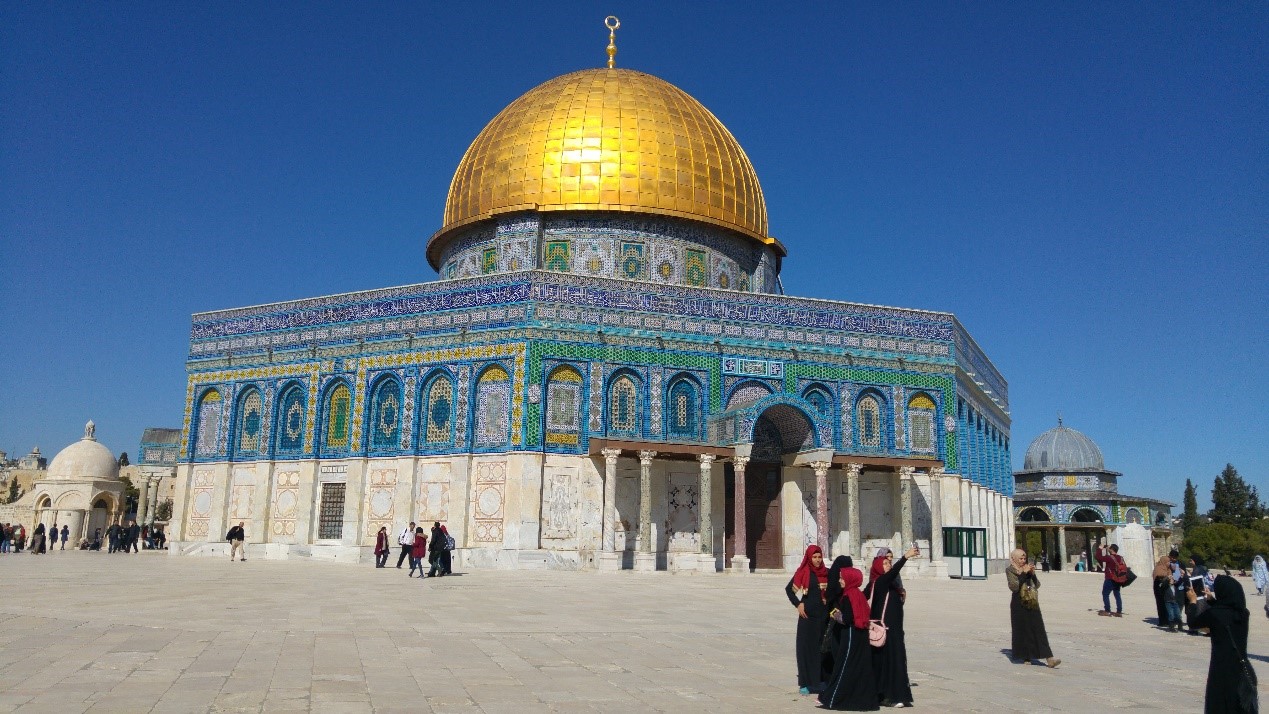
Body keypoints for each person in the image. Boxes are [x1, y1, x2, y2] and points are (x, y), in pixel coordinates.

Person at [1184, 575, 1258, 713]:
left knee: (1221, 705)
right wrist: (1212, 601)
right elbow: (1226, 610)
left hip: (1222, 669)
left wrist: (1193, 602)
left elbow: (1193, 623)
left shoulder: (1214, 614)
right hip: (1241, 666)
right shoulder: (1243, 614)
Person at [818, 556, 878, 711]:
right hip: (861, 635)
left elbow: (848, 619)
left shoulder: (847, 596)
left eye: (842, 578)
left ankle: (834, 698)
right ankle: (864, 700)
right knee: (861, 668)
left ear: (850, 579)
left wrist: (836, 615)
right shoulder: (857, 594)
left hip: (850, 635)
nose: (840, 581)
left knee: (845, 666)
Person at [865, 545, 919, 708]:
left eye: (890, 563)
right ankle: (890, 696)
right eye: (885, 564)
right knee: (890, 663)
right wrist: (905, 557)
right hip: (886, 631)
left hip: (895, 631)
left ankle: (897, 694)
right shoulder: (880, 582)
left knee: (897, 662)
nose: (889, 565)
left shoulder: (890, 586)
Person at [785, 544, 829, 695]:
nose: (817, 560)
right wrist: (798, 604)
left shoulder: (826, 573)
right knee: (805, 649)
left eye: (819, 557)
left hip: (823, 617)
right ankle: (805, 682)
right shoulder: (804, 572)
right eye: (814, 557)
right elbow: (789, 590)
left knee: (822, 649)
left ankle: (820, 680)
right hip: (807, 617)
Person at [1005, 549, 1061, 667]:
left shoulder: (1027, 569)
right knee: (1023, 629)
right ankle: (1026, 656)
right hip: (1019, 604)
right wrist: (1023, 574)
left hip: (1032, 601)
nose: (1023, 561)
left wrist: (1032, 574)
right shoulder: (1010, 570)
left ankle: (1049, 658)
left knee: (1038, 628)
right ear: (1014, 558)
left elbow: (1037, 585)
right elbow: (1014, 587)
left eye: (1024, 558)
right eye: (1020, 558)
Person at [1095, 543, 1126, 617]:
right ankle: (1119, 611)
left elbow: (1098, 557)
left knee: (1105, 594)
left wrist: (1100, 548)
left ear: (1112, 549)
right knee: (1117, 594)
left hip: (1110, 578)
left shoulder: (1109, 557)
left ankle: (1107, 610)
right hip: (1118, 579)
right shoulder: (1121, 558)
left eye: (1109, 548)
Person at [1153, 555, 1181, 632]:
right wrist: (1168, 576)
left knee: (1167, 603)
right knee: (1161, 604)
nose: (1169, 563)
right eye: (1168, 562)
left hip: (1166, 588)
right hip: (1159, 587)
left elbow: (1175, 573)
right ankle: (1162, 621)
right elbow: (1158, 575)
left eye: (1169, 561)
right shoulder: (1158, 568)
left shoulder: (1168, 568)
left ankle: (1169, 620)